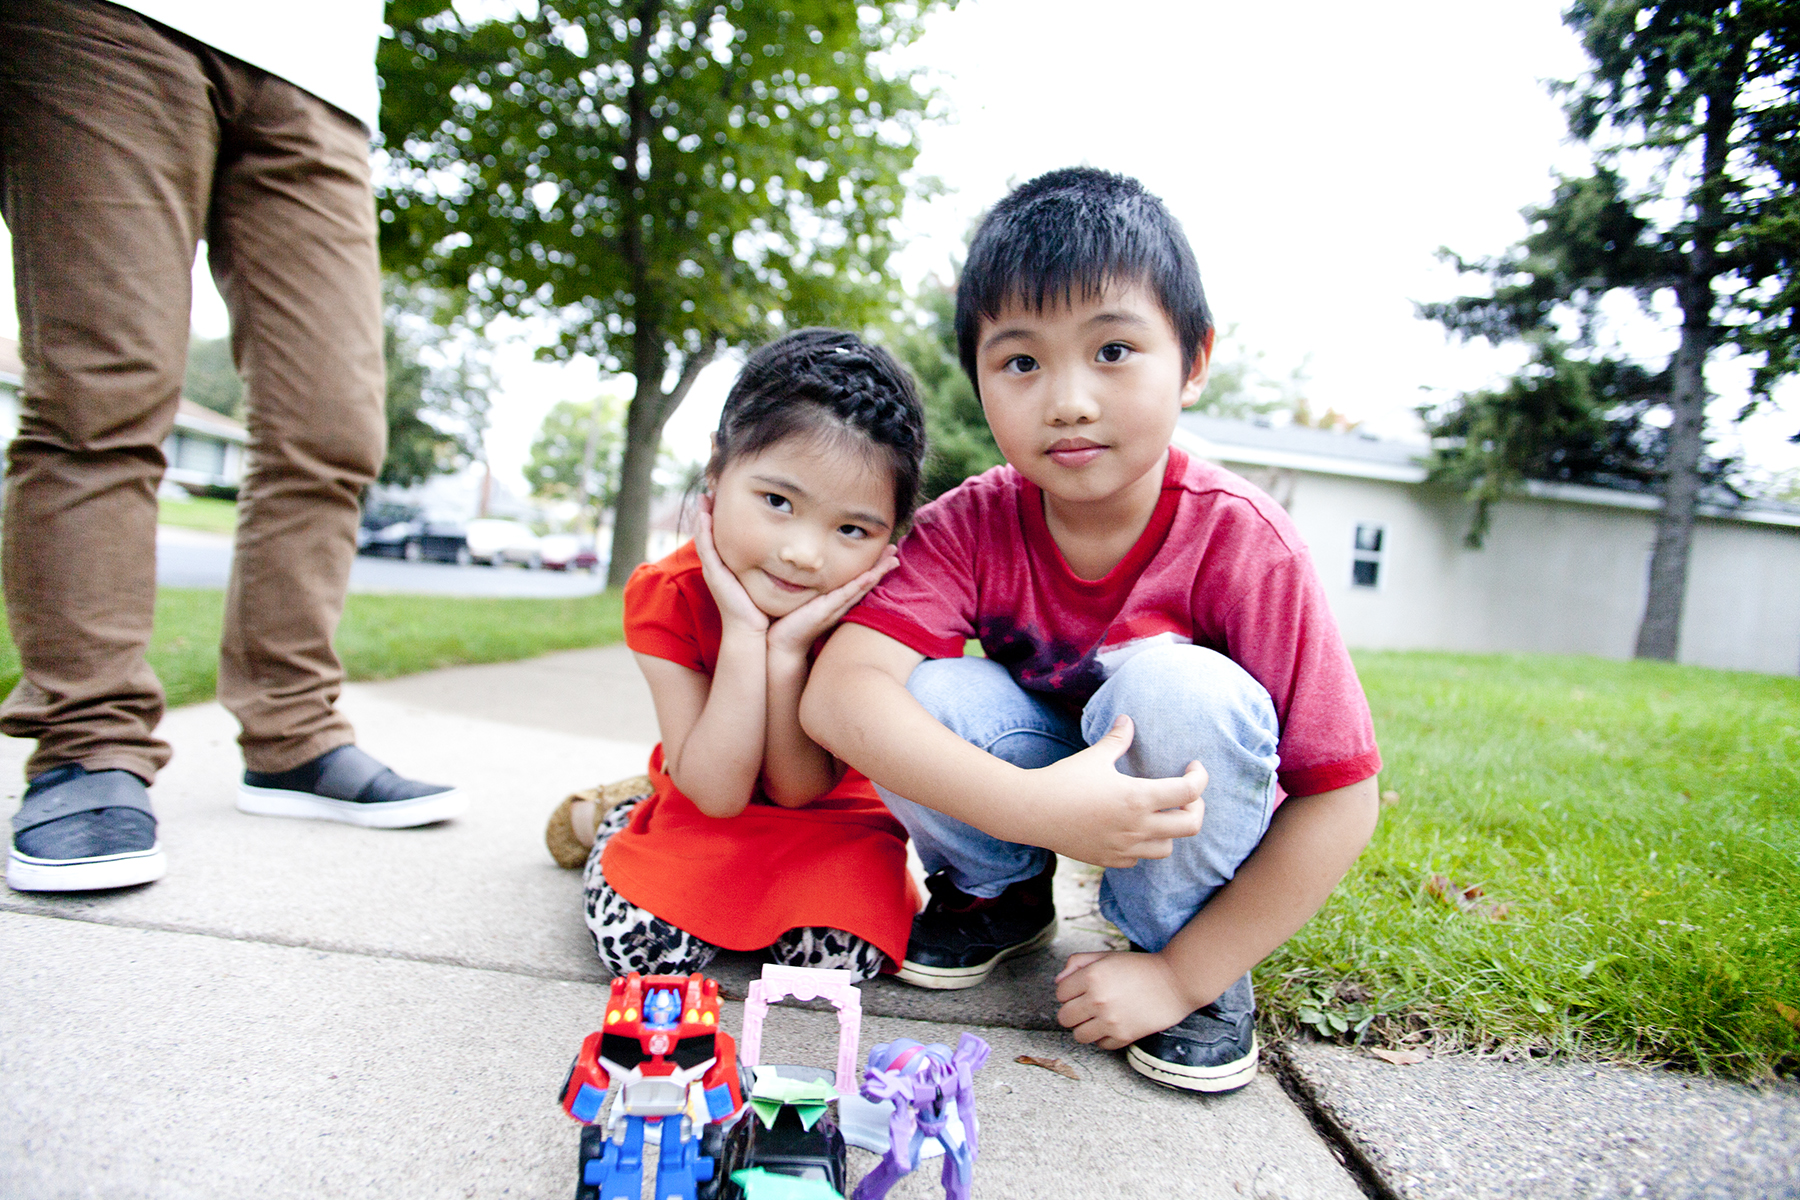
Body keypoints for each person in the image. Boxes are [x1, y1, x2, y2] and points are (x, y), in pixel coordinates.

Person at [800, 168, 1383, 1093]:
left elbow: (1344, 797)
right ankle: (998, 891)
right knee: (922, 687)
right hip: (1039, 774)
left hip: (1170, 822)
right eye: (1022, 362)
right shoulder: (970, 523)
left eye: (1113, 350)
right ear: (982, 382)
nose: (1068, 400)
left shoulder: (1245, 541)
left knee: (1181, 688)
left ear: (1193, 360)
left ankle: (1175, 952)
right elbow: (839, 695)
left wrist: (1184, 970)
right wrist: (1032, 813)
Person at [1, 0, 461, 895]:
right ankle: (88, 740)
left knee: (332, 428)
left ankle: (292, 735)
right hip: (112, 21)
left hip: (319, 70)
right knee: (105, 391)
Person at [545, 329, 926, 980]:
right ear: (717, 469)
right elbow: (717, 796)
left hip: (831, 816)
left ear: (892, 533)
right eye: (778, 502)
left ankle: (639, 799)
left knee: (835, 963)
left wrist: (787, 654)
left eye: (851, 529)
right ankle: (618, 811)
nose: (804, 553)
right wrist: (745, 635)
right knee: (644, 952)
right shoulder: (667, 593)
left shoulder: (877, 607)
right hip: (703, 795)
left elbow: (802, 788)